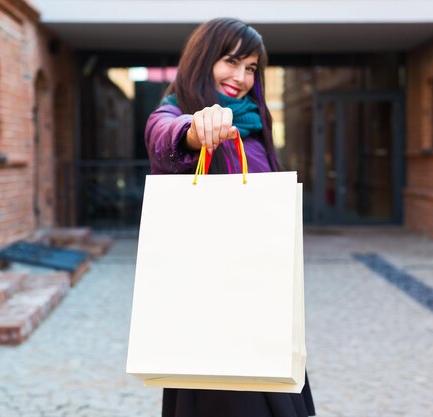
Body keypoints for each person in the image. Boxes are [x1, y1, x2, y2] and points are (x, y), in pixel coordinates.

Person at [144, 18, 316, 417]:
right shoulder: (173, 114)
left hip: (265, 302)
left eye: (251, 67)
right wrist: (195, 127)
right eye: (231, 61)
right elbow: (166, 139)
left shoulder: (254, 125)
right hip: (213, 315)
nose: (241, 77)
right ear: (204, 59)